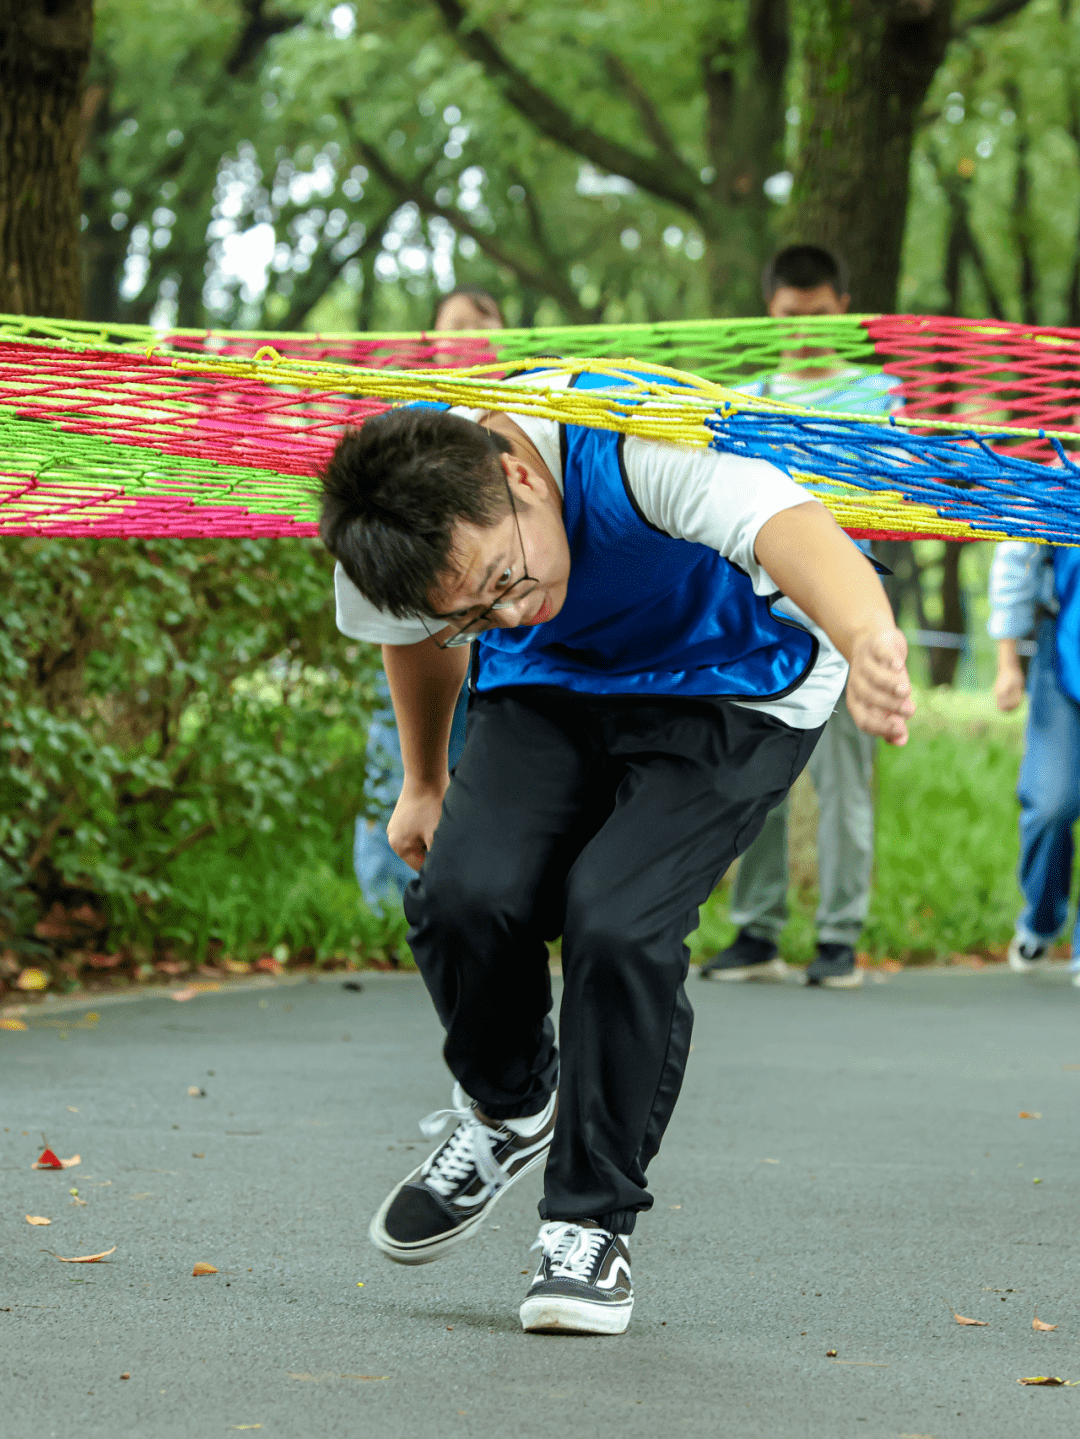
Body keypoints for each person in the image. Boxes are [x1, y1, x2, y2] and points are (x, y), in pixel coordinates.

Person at [321, 365, 914, 1335]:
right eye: (474, 611)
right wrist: (423, 780)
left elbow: (788, 522)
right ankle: (510, 1107)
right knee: (463, 889)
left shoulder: (636, 441)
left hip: (735, 676)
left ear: (520, 475)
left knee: (617, 918)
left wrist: (870, 636)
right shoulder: (388, 519)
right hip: (557, 678)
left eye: (504, 580)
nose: (507, 611)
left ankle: (588, 1223)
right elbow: (418, 635)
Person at [700, 244, 899, 990]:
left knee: (845, 778)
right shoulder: (743, 397)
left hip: (851, 604)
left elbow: (899, 487)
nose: (805, 331)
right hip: (762, 611)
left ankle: (839, 936)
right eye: (791, 316)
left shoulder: (881, 394)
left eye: (818, 315)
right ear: (771, 313)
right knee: (758, 769)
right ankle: (757, 929)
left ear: (842, 309)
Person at [352, 286, 505, 907]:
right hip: (415, 622)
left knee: (477, 757)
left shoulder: (519, 412)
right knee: (403, 754)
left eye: (481, 325)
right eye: (454, 327)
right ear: (431, 343)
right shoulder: (407, 420)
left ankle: (461, 895)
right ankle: (386, 902)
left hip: (496, 633)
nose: (467, 339)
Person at [990, 540, 1080, 988]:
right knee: (1050, 804)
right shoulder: (1062, 488)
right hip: (1063, 654)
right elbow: (1016, 556)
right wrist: (1008, 661)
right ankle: (1042, 919)